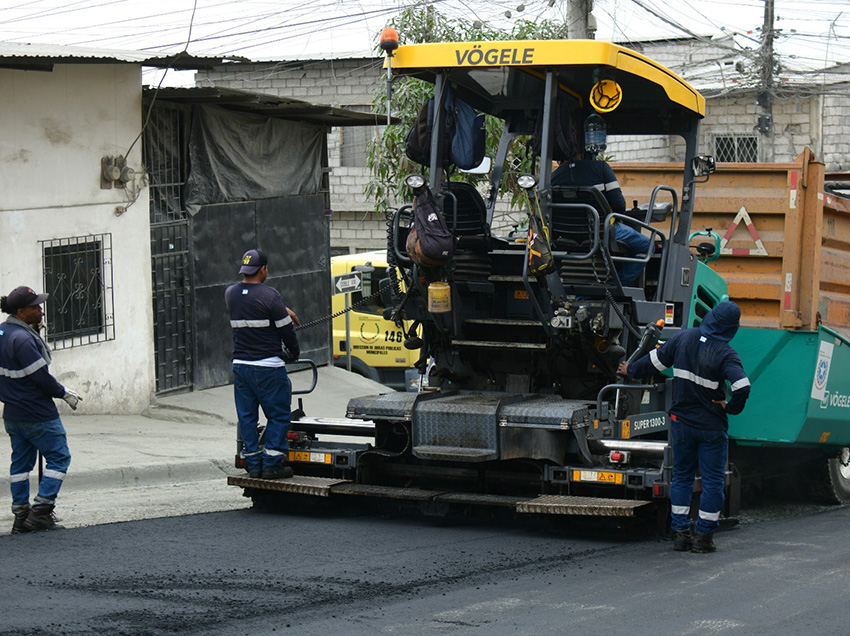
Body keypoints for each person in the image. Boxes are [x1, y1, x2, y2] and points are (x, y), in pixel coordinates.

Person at [617, 300, 751, 553]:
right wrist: (730, 407)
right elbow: (742, 386)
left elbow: (654, 362)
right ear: (732, 328)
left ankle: (680, 534)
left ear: (710, 318)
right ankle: (703, 538)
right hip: (711, 427)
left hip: (681, 424)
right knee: (712, 482)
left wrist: (630, 369)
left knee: (681, 477)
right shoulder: (726, 353)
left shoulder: (683, 338)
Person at [0, 286, 81, 533]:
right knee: (59, 457)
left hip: (13, 414)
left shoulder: (4, 333)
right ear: (21, 312)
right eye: (35, 307)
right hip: (37, 413)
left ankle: (21, 517)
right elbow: (41, 379)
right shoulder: (22, 340)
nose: (41, 310)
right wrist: (64, 392)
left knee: (20, 466)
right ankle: (41, 512)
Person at [225, 249, 300, 480]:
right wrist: (294, 353)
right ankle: (272, 465)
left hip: (241, 367)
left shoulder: (230, 293)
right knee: (278, 416)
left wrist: (280, 309)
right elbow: (286, 330)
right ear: (264, 269)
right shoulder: (271, 295)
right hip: (268, 368)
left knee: (247, 417)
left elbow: (250, 305)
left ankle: (253, 464)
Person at [551, 115, 652, 287]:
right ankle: (617, 285)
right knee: (648, 245)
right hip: (602, 231)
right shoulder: (601, 169)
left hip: (565, 234)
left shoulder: (554, 177)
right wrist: (618, 222)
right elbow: (619, 205)